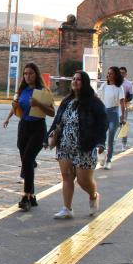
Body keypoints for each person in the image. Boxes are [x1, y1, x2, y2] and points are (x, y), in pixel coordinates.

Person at [48, 71, 108, 220]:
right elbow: (57, 120)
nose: (75, 81)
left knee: (83, 180)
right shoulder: (66, 101)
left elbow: (102, 124)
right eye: (73, 79)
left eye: (79, 79)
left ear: (85, 83)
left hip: (85, 147)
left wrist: (101, 142)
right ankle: (67, 208)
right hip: (64, 145)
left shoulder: (94, 102)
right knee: (67, 176)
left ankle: (93, 195)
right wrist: (48, 136)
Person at [2, 63, 54, 211]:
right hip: (24, 126)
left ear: (36, 74)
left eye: (30, 73)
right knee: (27, 162)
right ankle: (32, 195)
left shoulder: (43, 91)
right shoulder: (22, 90)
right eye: (25, 74)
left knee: (27, 160)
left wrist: (38, 104)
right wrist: (12, 111)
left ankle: (26, 196)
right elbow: (17, 109)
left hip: (38, 127)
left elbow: (52, 112)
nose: (27, 76)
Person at [97, 66, 125, 169]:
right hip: (104, 114)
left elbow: (122, 103)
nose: (108, 75)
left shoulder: (119, 88)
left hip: (114, 114)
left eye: (111, 73)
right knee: (100, 137)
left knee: (110, 139)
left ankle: (108, 160)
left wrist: (122, 117)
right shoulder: (104, 85)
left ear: (116, 75)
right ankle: (102, 155)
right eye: (108, 73)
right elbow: (97, 97)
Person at [119, 66, 133, 147]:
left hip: (124, 107)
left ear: (126, 74)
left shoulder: (129, 84)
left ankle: (124, 144)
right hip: (114, 107)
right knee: (112, 125)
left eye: (123, 73)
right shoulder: (114, 82)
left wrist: (125, 100)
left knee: (123, 125)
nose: (121, 74)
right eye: (120, 73)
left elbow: (131, 96)